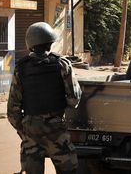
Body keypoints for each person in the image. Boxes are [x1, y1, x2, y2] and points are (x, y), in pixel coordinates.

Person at [7, 22, 81, 174]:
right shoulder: (62, 64)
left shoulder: (20, 68)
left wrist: (26, 131)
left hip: (30, 130)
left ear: (30, 44)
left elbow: (12, 110)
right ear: (50, 43)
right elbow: (74, 99)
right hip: (56, 131)